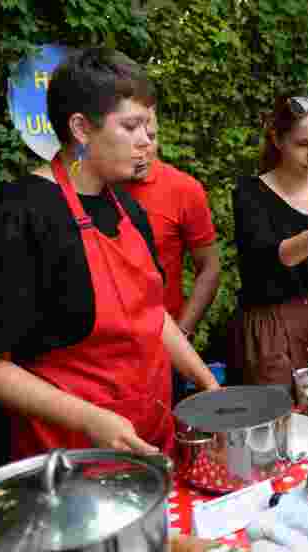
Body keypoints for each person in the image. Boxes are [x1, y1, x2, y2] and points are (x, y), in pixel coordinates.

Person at [0, 47, 220, 461]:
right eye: (132, 126)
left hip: (148, 445)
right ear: (81, 128)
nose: (147, 140)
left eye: (148, 126)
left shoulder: (127, 208)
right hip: (66, 463)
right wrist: (89, 418)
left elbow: (150, 315)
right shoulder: (20, 215)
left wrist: (208, 387)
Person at [229, 93, 308, 395]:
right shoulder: (250, 194)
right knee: (273, 425)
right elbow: (263, 259)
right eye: (303, 144)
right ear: (278, 140)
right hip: (268, 331)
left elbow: (307, 271)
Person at [126, 106, 221, 404]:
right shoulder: (97, 189)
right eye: (133, 136)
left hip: (166, 348)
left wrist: (183, 333)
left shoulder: (183, 189)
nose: (143, 148)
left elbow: (210, 268)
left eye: (151, 137)